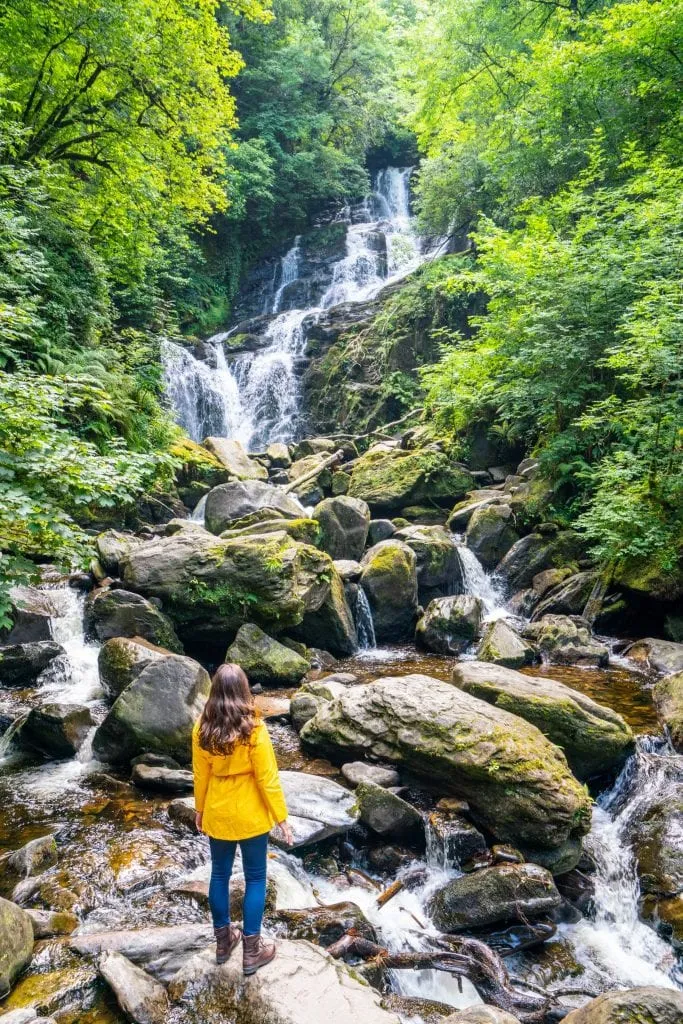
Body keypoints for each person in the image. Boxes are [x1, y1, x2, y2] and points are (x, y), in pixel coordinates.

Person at [192, 662, 293, 974]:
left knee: (219, 876)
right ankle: (252, 950)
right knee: (256, 878)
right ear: (243, 691)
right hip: (250, 814)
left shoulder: (202, 728)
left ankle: (224, 943)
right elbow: (267, 778)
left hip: (219, 811)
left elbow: (200, 774)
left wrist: (200, 809)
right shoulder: (254, 728)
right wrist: (281, 817)